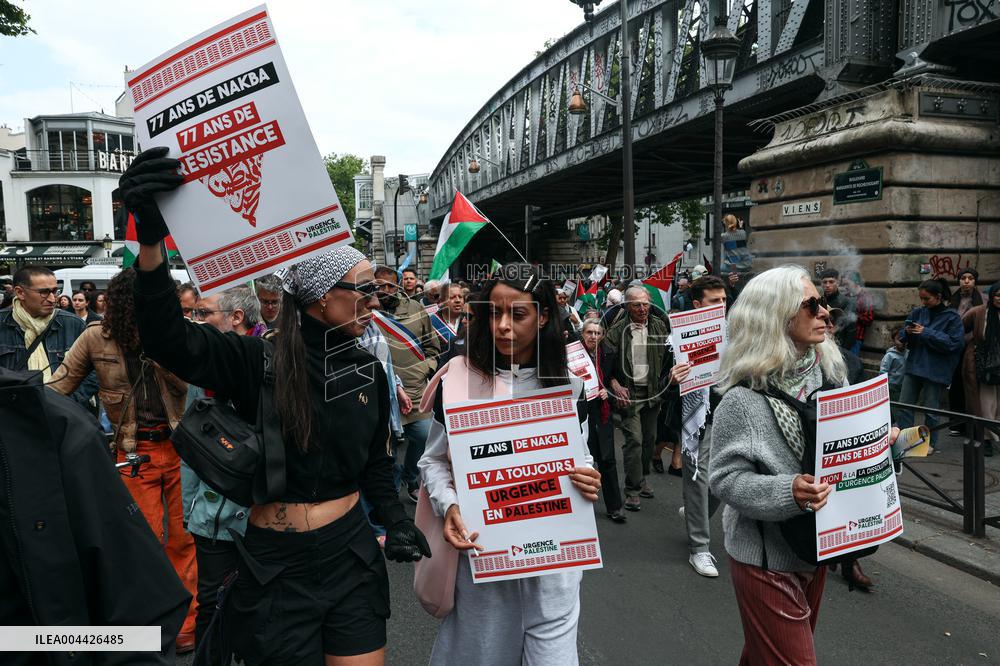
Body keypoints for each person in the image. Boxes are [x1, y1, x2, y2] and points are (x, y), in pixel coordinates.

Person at [120, 147, 428, 664]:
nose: (375, 301)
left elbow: (376, 462)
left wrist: (395, 520)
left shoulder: (368, 371)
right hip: (274, 570)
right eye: (364, 290)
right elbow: (167, 339)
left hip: (351, 558)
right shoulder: (251, 361)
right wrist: (151, 242)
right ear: (320, 297)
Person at [418, 265, 602, 664]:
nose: (502, 326)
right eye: (493, 313)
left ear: (545, 316)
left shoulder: (570, 385)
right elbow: (433, 461)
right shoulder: (459, 382)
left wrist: (588, 477)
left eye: (517, 315)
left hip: (553, 567)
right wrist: (448, 505)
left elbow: (579, 455)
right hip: (485, 560)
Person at [48, 269, 198, 653]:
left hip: (182, 447)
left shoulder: (173, 331)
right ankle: (149, 627)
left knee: (184, 540)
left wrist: (162, 348)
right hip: (134, 454)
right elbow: (60, 388)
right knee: (140, 542)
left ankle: (185, 626)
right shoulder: (96, 337)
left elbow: (192, 382)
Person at [0, 367, 192, 663]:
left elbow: (138, 605)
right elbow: (66, 377)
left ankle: (189, 627)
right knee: (150, 537)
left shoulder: (60, 431)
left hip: (171, 447)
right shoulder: (94, 340)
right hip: (130, 447)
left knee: (172, 543)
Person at [710, 265, 851, 663]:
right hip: (765, 558)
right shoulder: (742, 399)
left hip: (816, 547)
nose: (825, 312)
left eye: (822, 303)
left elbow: (843, 456)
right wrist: (787, 491)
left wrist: (881, 446)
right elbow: (724, 479)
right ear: (777, 316)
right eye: (811, 305)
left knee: (764, 656)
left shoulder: (832, 378)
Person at [179, 284, 267, 660]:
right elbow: (191, 446)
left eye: (204, 314)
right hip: (212, 515)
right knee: (213, 608)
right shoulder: (203, 370)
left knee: (261, 610)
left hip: (264, 514)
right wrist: (190, 508)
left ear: (236, 318)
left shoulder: (277, 362)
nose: (196, 321)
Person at [374, 264, 443, 503]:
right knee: (387, 450)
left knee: (425, 438)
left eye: (389, 285)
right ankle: (391, 494)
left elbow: (433, 348)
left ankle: (410, 475)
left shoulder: (416, 309)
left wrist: (425, 369)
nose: (384, 290)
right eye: (378, 286)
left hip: (415, 394)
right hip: (383, 396)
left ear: (398, 285)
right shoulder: (366, 311)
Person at [604, 286, 672, 511]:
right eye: (636, 305)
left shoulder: (660, 326)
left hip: (653, 394)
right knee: (634, 440)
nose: (642, 309)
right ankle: (632, 490)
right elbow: (604, 364)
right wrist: (613, 383)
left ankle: (641, 477)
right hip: (629, 396)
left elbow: (668, 361)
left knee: (649, 440)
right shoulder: (615, 331)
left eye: (645, 304)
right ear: (626, 306)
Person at [677, 275, 728, 577]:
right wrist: (673, 376)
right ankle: (699, 549)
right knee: (698, 479)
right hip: (696, 419)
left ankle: (697, 513)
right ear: (697, 304)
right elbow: (654, 377)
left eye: (724, 300)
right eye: (714, 301)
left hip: (729, 416)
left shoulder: (735, 332)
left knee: (722, 481)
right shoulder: (680, 334)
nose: (721, 305)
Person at [0, 265, 95, 404]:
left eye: (55, 291)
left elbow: (95, 370)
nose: (52, 298)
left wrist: (68, 402)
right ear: (20, 292)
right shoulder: (2, 323)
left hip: (64, 414)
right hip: (13, 416)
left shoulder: (73, 324)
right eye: (44, 292)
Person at [897, 279, 965, 433]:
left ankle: (930, 443)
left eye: (926, 298)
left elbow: (955, 344)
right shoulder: (918, 312)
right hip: (914, 365)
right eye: (921, 298)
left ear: (939, 297)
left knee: (931, 410)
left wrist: (926, 332)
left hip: (935, 370)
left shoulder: (952, 317)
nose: (923, 302)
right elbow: (903, 336)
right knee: (904, 405)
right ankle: (904, 440)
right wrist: (905, 334)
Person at [581, 320, 626, 522]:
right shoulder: (572, 354)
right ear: (582, 334)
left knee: (608, 459)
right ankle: (580, 509)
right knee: (583, 461)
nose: (593, 336)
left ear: (603, 336)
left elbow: (613, 379)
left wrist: (607, 390)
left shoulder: (608, 354)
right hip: (580, 413)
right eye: (589, 332)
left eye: (598, 333)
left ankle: (615, 507)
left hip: (602, 411)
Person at [962, 283, 1000, 455]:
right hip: (984, 365)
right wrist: (973, 347)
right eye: (998, 295)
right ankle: (986, 439)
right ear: (992, 296)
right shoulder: (978, 312)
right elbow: (959, 328)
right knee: (985, 404)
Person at [949, 268, 983, 433]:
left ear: (975, 281)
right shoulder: (952, 299)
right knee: (955, 385)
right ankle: (956, 424)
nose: (967, 281)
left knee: (972, 387)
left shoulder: (983, 300)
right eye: (963, 278)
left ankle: (974, 425)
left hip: (973, 348)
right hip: (954, 347)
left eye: (970, 278)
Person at [819, 269, 856, 350]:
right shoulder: (818, 301)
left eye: (831, 282)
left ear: (838, 283)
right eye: (825, 282)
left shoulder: (847, 302)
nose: (827, 285)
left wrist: (844, 351)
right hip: (821, 345)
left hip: (840, 346)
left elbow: (851, 329)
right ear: (821, 284)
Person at [842, 271, 874, 355]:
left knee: (852, 364)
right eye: (844, 284)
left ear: (855, 282)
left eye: (847, 284)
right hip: (843, 336)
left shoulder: (865, 297)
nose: (845, 287)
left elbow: (869, 319)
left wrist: (855, 317)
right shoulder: (846, 296)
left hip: (856, 338)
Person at [880, 326, 907, 424]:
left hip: (902, 387)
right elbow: (883, 371)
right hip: (891, 387)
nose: (902, 342)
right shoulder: (890, 355)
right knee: (895, 410)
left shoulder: (908, 353)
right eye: (899, 340)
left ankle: (891, 423)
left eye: (904, 340)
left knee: (897, 410)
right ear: (893, 340)